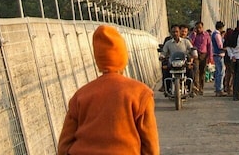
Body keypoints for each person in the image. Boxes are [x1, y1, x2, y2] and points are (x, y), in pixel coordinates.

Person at [58, 25, 159, 155]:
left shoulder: (80, 95)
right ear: (124, 57)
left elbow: (64, 144)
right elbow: (150, 144)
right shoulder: (140, 93)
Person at [159, 25, 194, 95]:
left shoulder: (186, 41)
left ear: (179, 32)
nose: (175, 33)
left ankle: (191, 88)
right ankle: (167, 88)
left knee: (191, 71)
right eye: (173, 32)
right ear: (170, 33)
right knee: (165, 71)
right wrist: (162, 56)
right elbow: (164, 52)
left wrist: (194, 55)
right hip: (172, 63)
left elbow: (192, 49)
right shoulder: (168, 43)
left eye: (177, 32)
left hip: (183, 63)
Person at [190, 21, 215, 95]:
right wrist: (194, 35)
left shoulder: (206, 35)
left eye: (200, 28)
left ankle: (201, 88)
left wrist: (210, 57)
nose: (198, 29)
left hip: (204, 55)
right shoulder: (192, 35)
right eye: (197, 28)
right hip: (195, 54)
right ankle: (196, 88)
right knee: (196, 71)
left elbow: (209, 46)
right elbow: (190, 44)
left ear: (202, 27)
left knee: (202, 72)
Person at [210, 21, 228, 96]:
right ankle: (219, 89)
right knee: (221, 73)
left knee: (218, 72)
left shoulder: (213, 34)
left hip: (216, 54)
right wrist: (226, 49)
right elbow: (220, 45)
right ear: (221, 28)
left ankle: (218, 89)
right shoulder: (217, 35)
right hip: (219, 55)